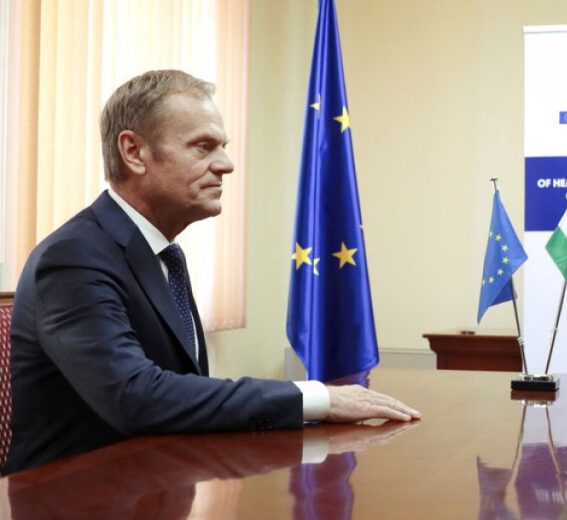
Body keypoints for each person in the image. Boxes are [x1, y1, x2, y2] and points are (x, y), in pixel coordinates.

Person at [3, 70, 419, 476]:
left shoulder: (159, 253)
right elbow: (134, 396)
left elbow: (180, 389)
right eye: (203, 147)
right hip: (70, 514)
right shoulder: (74, 258)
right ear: (134, 152)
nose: (226, 164)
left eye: (222, 146)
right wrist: (315, 398)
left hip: (153, 491)